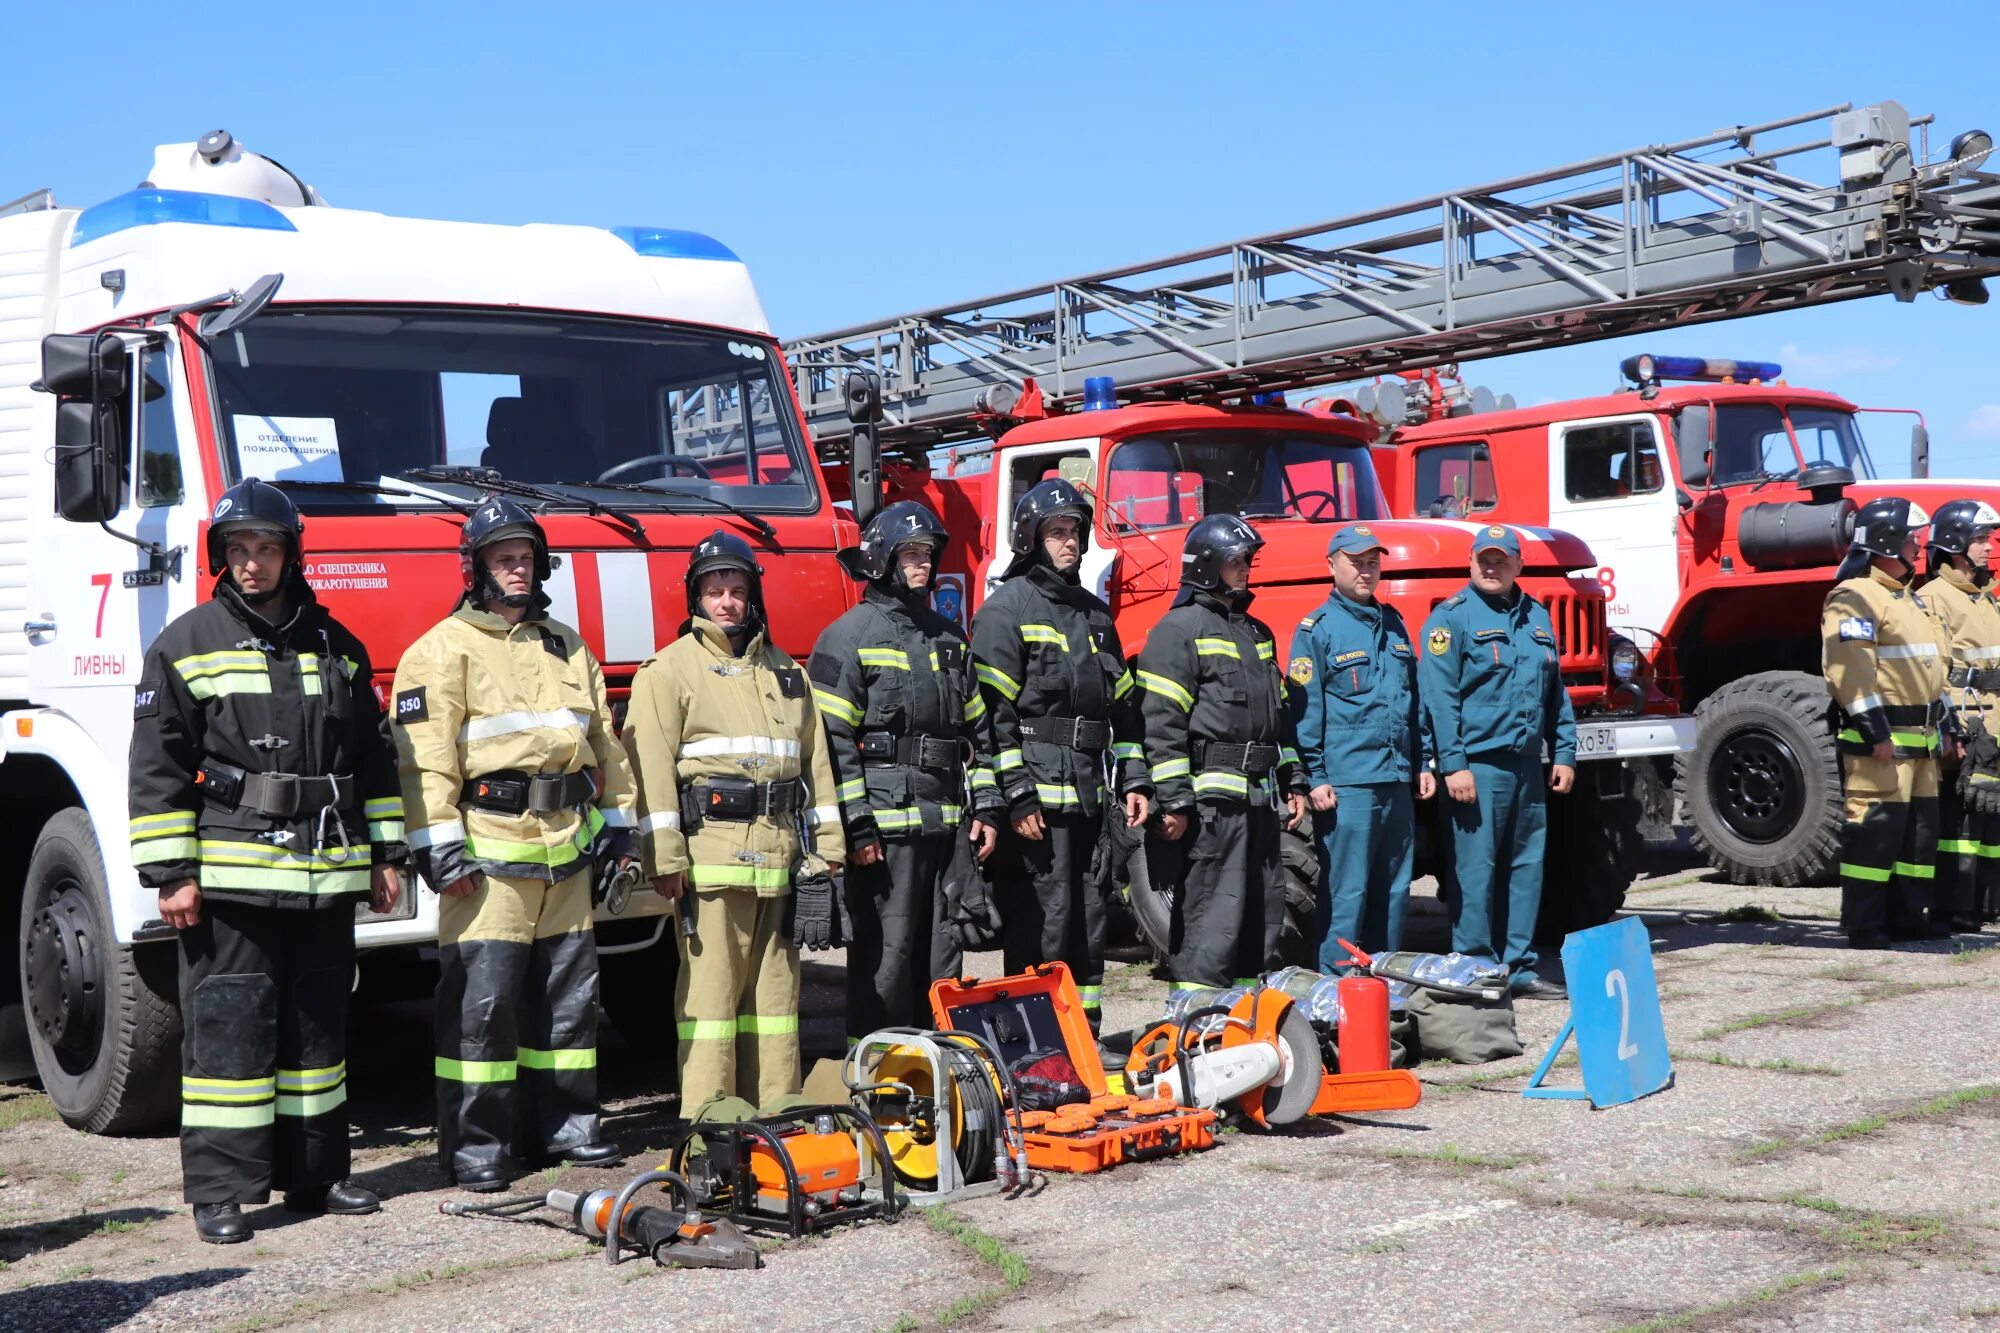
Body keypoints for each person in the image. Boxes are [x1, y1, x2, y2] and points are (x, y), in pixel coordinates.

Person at [130, 478, 403, 1244]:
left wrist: (386, 854)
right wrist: (171, 874)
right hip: (232, 881)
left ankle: (317, 1174)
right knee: (229, 1034)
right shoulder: (185, 643)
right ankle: (221, 1190)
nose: (253, 563)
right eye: (239, 550)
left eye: (267, 548)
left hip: (325, 875)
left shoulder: (337, 647)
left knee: (318, 1034)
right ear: (222, 556)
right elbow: (156, 764)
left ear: (291, 555)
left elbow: (373, 761)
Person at [392, 497, 637, 1193]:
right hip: (487, 857)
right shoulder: (440, 651)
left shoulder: (567, 643)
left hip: (565, 852)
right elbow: (425, 763)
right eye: (504, 558)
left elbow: (605, 747)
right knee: (483, 1009)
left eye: (526, 557)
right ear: (476, 568)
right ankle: (477, 1146)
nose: (518, 569)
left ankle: (564, 1126)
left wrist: (620, 825)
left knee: (568, 1001)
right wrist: (441, 850)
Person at [626, 530, 846, 1109]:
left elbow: (815, 767)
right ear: (695, 599)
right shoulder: (667, 672)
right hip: (710, 867)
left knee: (776, 1007)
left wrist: (828, 850)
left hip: (782, 866)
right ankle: (708, 1130)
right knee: (711, 1005)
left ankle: (774, 1119)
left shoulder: (786, 673)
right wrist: (665, 859)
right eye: (714, 590)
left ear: (753, 596)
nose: (726, 601)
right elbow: (650, 773)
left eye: (737, 589)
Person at [808, 502, 1002, 1041]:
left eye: (927, 554)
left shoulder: (948, 637)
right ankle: (878, 1075)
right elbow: (832, 743)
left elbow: (978, 734)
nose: (923, 564)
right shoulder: (847, 636)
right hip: (885, 833)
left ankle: (938, 1069)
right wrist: (857, 826)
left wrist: (985, 806)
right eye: (910, 554)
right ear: (881, 560)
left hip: (946, 828)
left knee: (946, 950)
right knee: (886, 961)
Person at [969, 479, 1150, 1026]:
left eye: (1074, 531)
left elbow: (1124, 709)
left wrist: (1137, 777)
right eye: (1056, 533)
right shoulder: (1005, 611)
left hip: (1090, 801)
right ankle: (1033, 1045)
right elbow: (990, 720)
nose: (1069, 542)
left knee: (1089, 920)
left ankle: (1083, 1034)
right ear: (1030, 539)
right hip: (1037, 809)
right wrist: (1018, 798)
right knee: (1040, 923)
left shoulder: (1096, 617)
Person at [1138, 514, 1309, 988]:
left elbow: (1280, 719)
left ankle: (1245, 1028)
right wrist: (1174, 800)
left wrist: (1293, 780)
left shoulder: (1258, 633)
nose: (1246, 568)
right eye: (1236, 559)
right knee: (1212, 922)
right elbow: (1161, 722)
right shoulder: (1178, 629)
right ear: (1208, 564)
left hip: (1259, 805)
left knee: (1261, 922)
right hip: (1212, 810)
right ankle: (1195, 1022)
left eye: (1248, 559)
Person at [1417, 524, 1575, 999]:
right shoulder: (1450, 620)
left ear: (1517, 566)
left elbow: (1555, 692)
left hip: (1527, 764)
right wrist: (1453, 764)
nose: (1491, 567)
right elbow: (1439, 699)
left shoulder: (1537, 618)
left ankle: (1520, 966)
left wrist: (1563, 749)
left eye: (1501, 560)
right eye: (1483, 559)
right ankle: (1475, 967)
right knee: (1474, 868)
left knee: (1526, 867)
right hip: (1477, 767)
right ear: (1470, 562)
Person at [1287, 524, 1433, 966]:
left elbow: (1414, 700)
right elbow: (1305, 711)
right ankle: (1335, 989)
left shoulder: (1394, 624)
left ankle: (1381, 980)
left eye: (1373, 563)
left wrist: (1424, 760)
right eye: (1356, 562)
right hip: (1348, 782)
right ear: (1331, 565)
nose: (1366, 572)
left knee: (1393, 888)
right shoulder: (1318, 630)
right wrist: (1315, 775)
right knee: (1347, 890)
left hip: (1395, 777)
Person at [1825, 497, 1952, 947]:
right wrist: (1875, 731)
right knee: (1875, 833)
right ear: (1885, 543)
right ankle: (1864, 924)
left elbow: (1935, 668)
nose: (1919, 547)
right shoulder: (1855, 596)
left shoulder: (1908, 598)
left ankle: (1908, 917)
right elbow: (1850, 669)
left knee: (1918, 836)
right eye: (1911, 539)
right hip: (1883, 741)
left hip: (1921, 740)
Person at [1922, 499, 2000, 931]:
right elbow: (1934, 670)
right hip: (1969, 725)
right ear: (1954, 544)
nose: (1988, 547)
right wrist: (1952, 726)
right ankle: (1954, 907)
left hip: (1995, 725)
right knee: (1960, 822)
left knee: (1991, 823)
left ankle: (1987, 903)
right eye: (1980, 539)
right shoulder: (1933, 599)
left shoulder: (1986, 598)